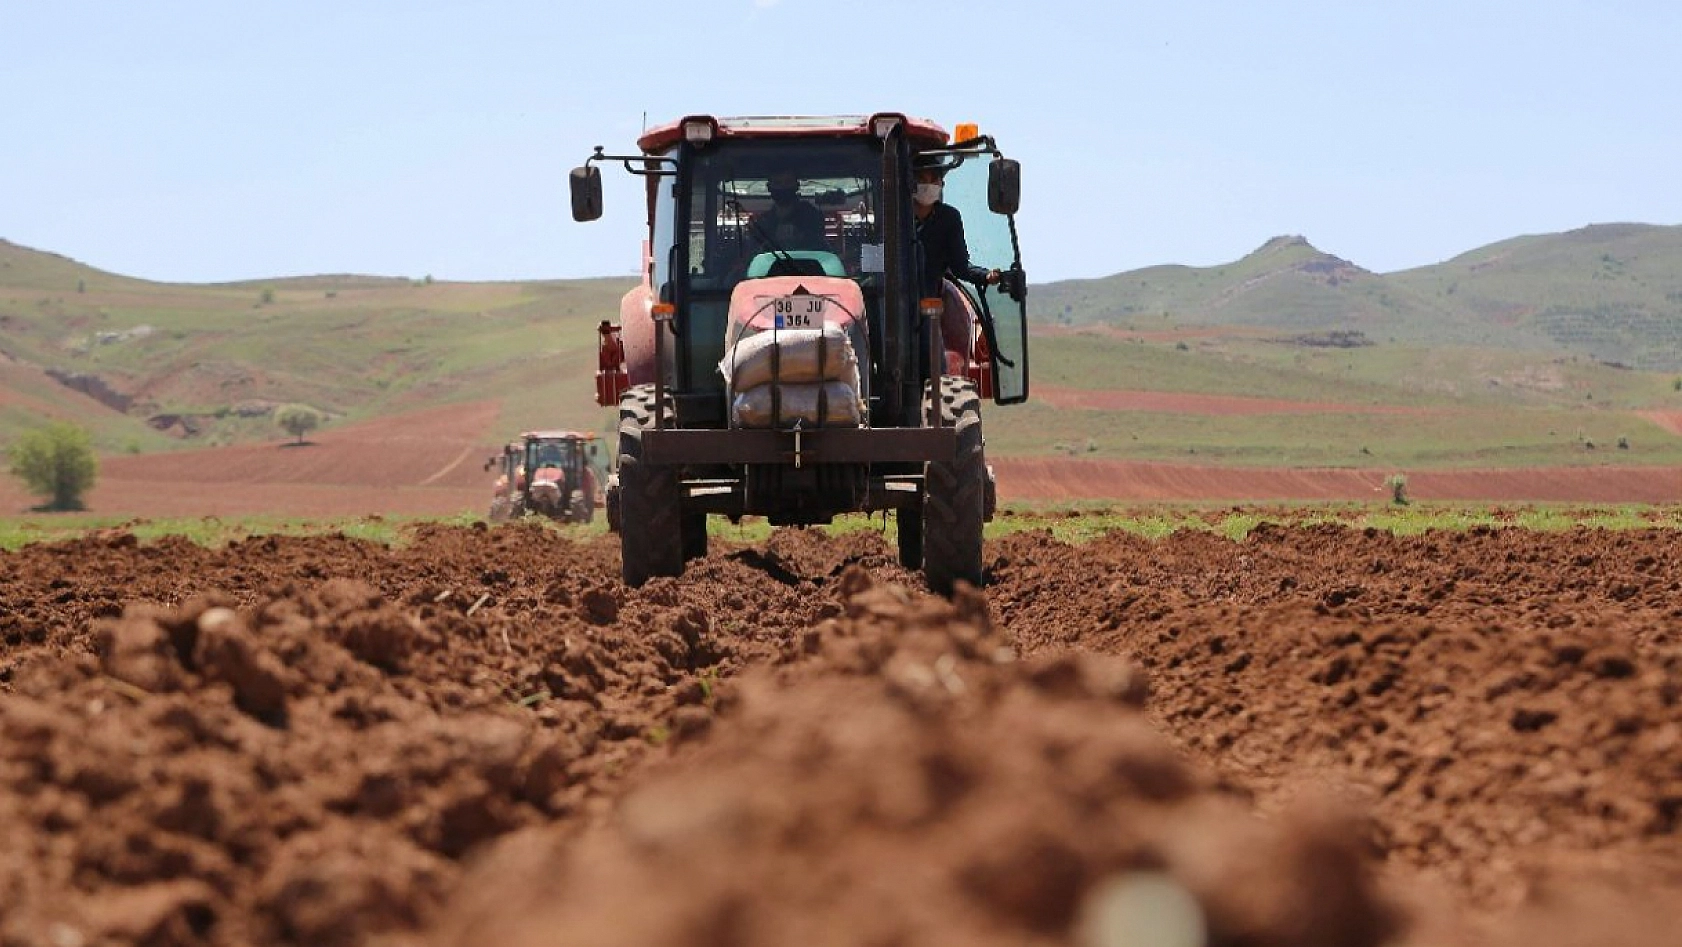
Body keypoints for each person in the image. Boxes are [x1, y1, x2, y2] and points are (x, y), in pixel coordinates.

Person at [912, 165, 999, 300]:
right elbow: (877, 260)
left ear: (941, 184)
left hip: (930, 301)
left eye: (934, 180)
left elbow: (960, 267)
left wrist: (986, 275)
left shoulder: (948, 218)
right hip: (889, 300)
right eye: (922, 180)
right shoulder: (890, 216)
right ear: (910, 182)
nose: (928, 186)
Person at [747, 170, 829, 255]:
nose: (783, 187)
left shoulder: (811, 217)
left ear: (797, 186)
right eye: (777, 183)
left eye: (788, 182)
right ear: (769, 187)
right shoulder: (763, 223)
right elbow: (755, 252)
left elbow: (817, 246)